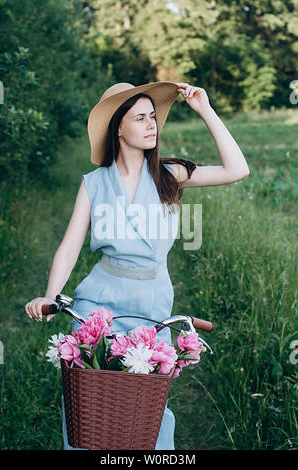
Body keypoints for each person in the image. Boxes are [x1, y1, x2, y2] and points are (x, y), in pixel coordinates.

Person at [25, 81, 250, 450]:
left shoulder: (169, 174)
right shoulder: (94, 183)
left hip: (152, 305)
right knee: (90, 402)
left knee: (149, 409)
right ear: (118, 127)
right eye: (140, 118)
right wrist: (51, 297)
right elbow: (69, 247)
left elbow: (236, 169)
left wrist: (205, 109)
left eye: (153, 118)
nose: (151, 125)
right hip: (99, 304)